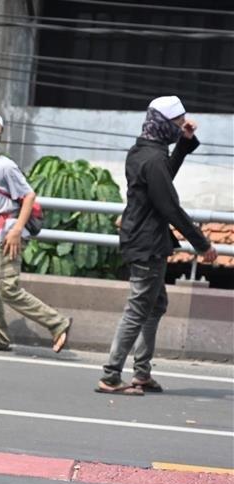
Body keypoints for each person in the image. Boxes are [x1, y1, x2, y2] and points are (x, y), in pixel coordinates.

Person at [96, 96, 216, 395]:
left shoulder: (143, 152)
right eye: (177, 123)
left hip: (142, 236)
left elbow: (163, 179)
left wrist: (185, 142)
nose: (181, 127)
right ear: (163, 124)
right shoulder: (153, 158)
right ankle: (111, 375)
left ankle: (142, 372)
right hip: (147, 241)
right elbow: (170, 207)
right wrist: (202, 244)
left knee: (155, 304)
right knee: (138, 308)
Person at [0, 112, 72, 354]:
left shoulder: (6, 166)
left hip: (8, 232)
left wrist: (15, 230)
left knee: (7, 288)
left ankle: (57, 323)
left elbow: (28, 196)